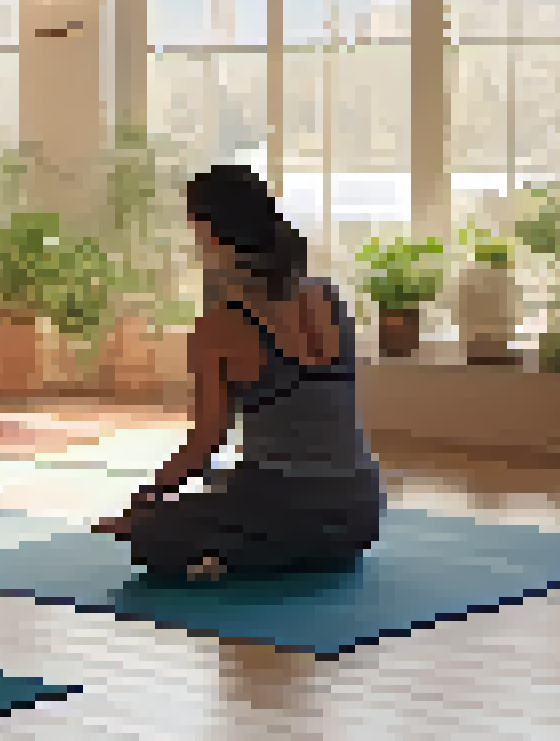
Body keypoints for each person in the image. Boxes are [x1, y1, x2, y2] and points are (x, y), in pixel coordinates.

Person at [91, 165, 386, 581]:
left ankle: (243, 553)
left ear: (211, 233)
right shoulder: (328, 295)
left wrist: (142, 505)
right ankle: (278, 548)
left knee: (147, 538)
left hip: (290, 509)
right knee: (230, 483)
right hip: (362, 513)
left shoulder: (219, 326)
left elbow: (205, 443)